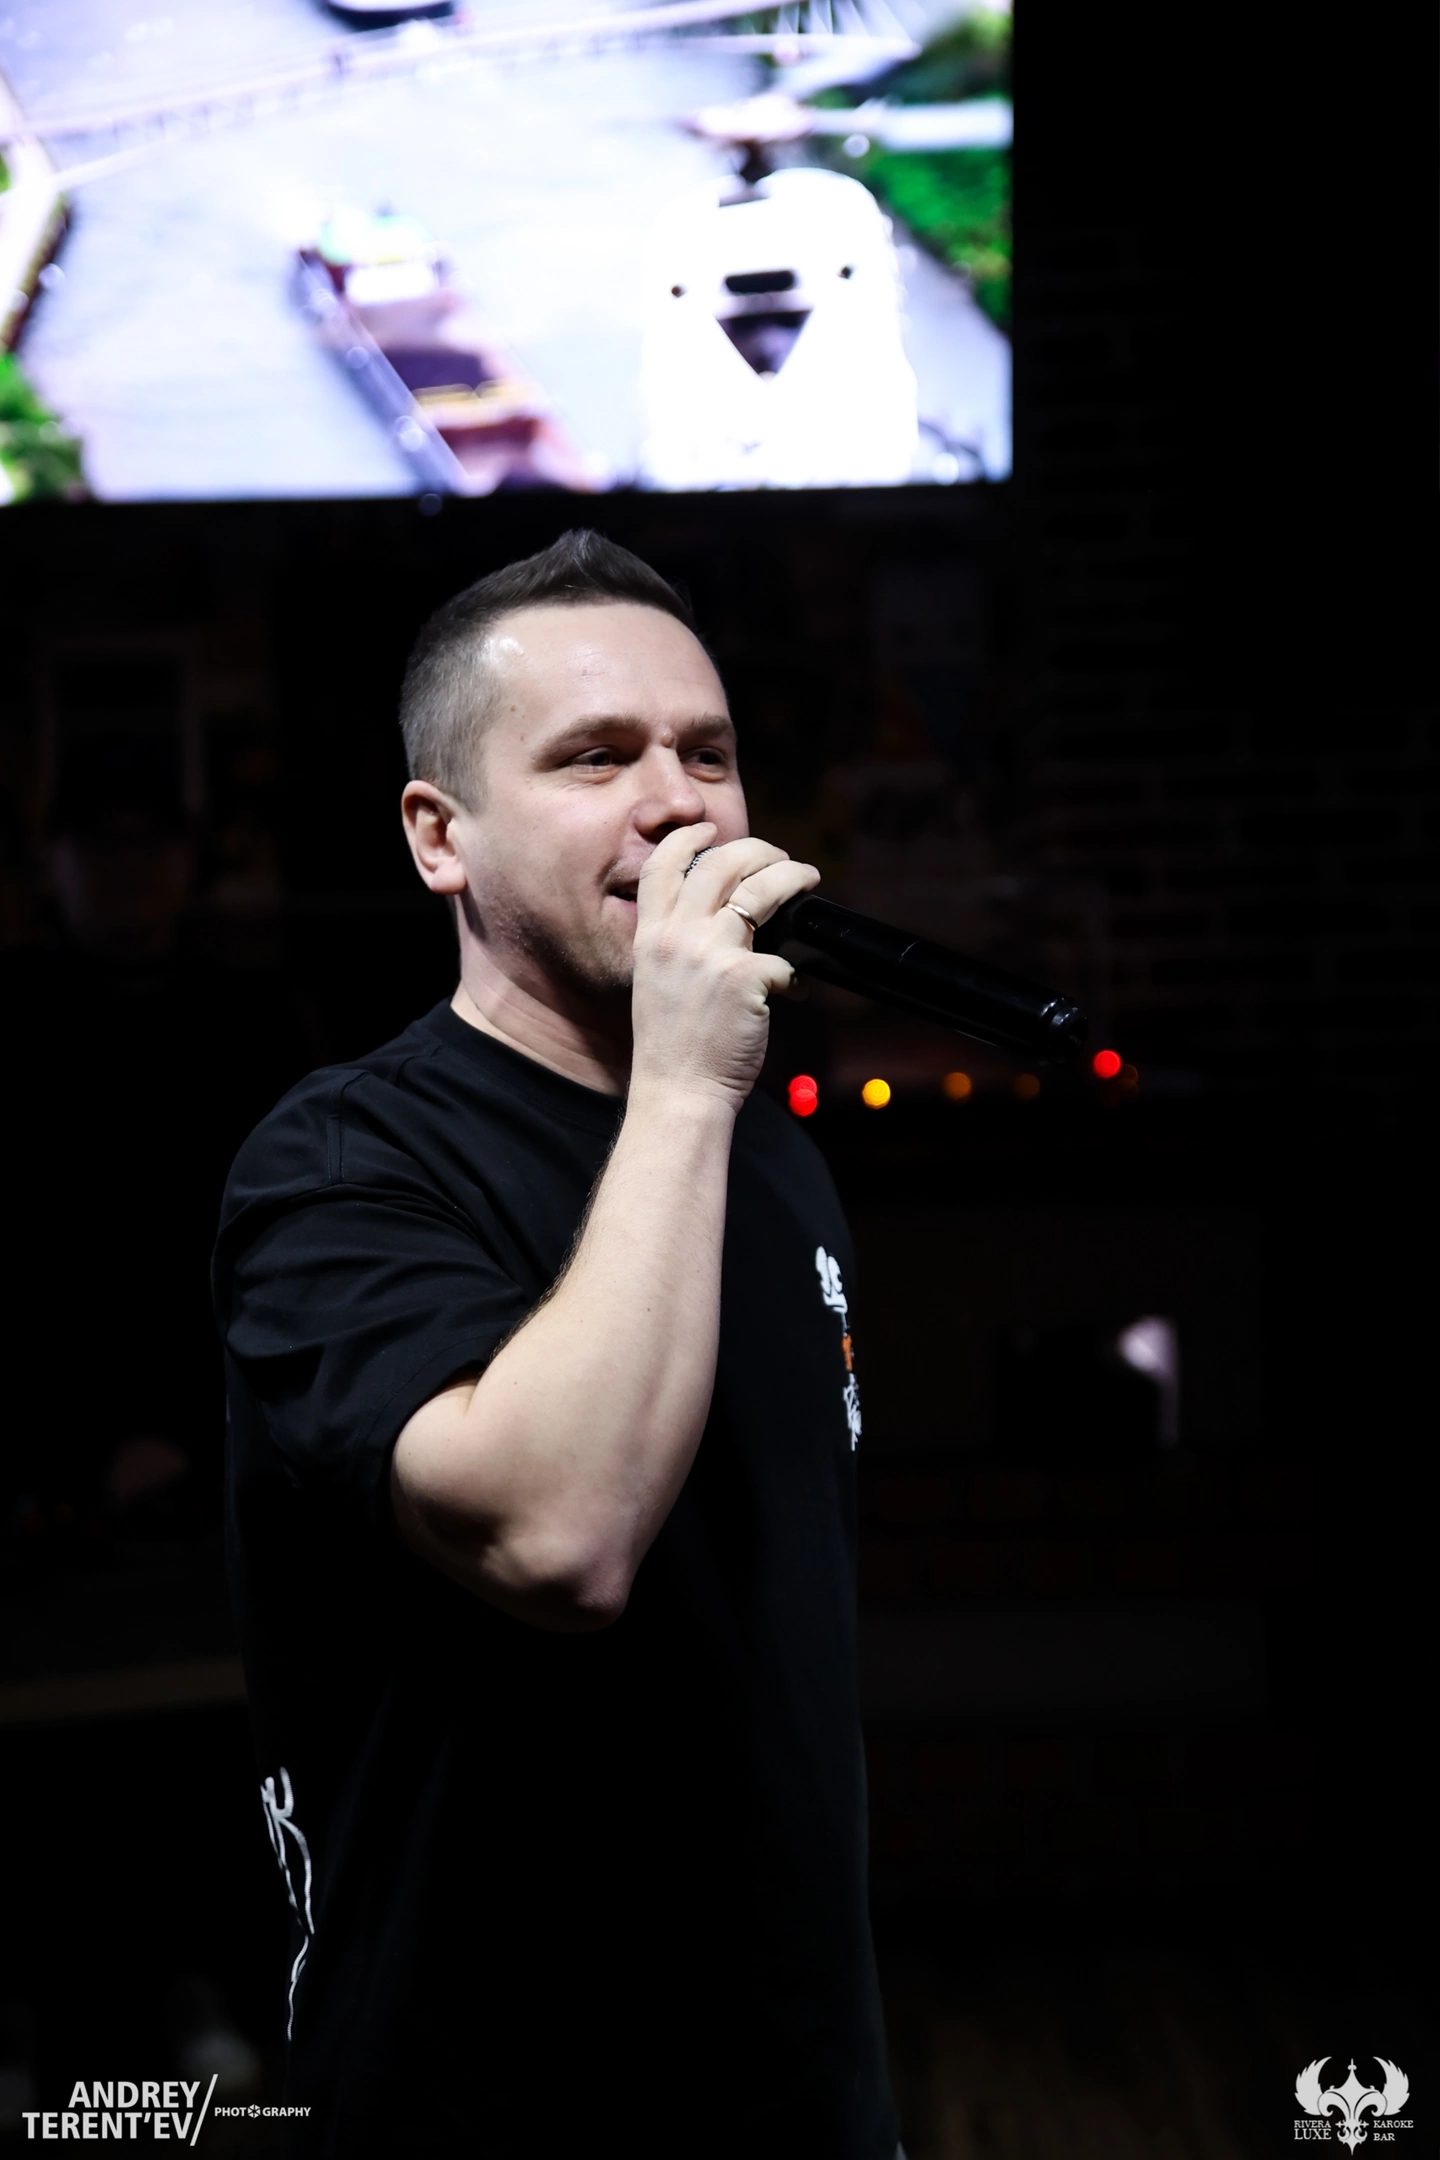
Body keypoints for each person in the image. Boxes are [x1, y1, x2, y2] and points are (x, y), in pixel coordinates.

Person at [214, 531, 902, 2159]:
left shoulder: (764, 1150)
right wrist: (683, 1082)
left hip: (796, 2092)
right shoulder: (342, 1163)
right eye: (596, 758)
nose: (676, 805)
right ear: (439, 836)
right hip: (481, 2105)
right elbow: (559, 1539)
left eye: (707, 754)